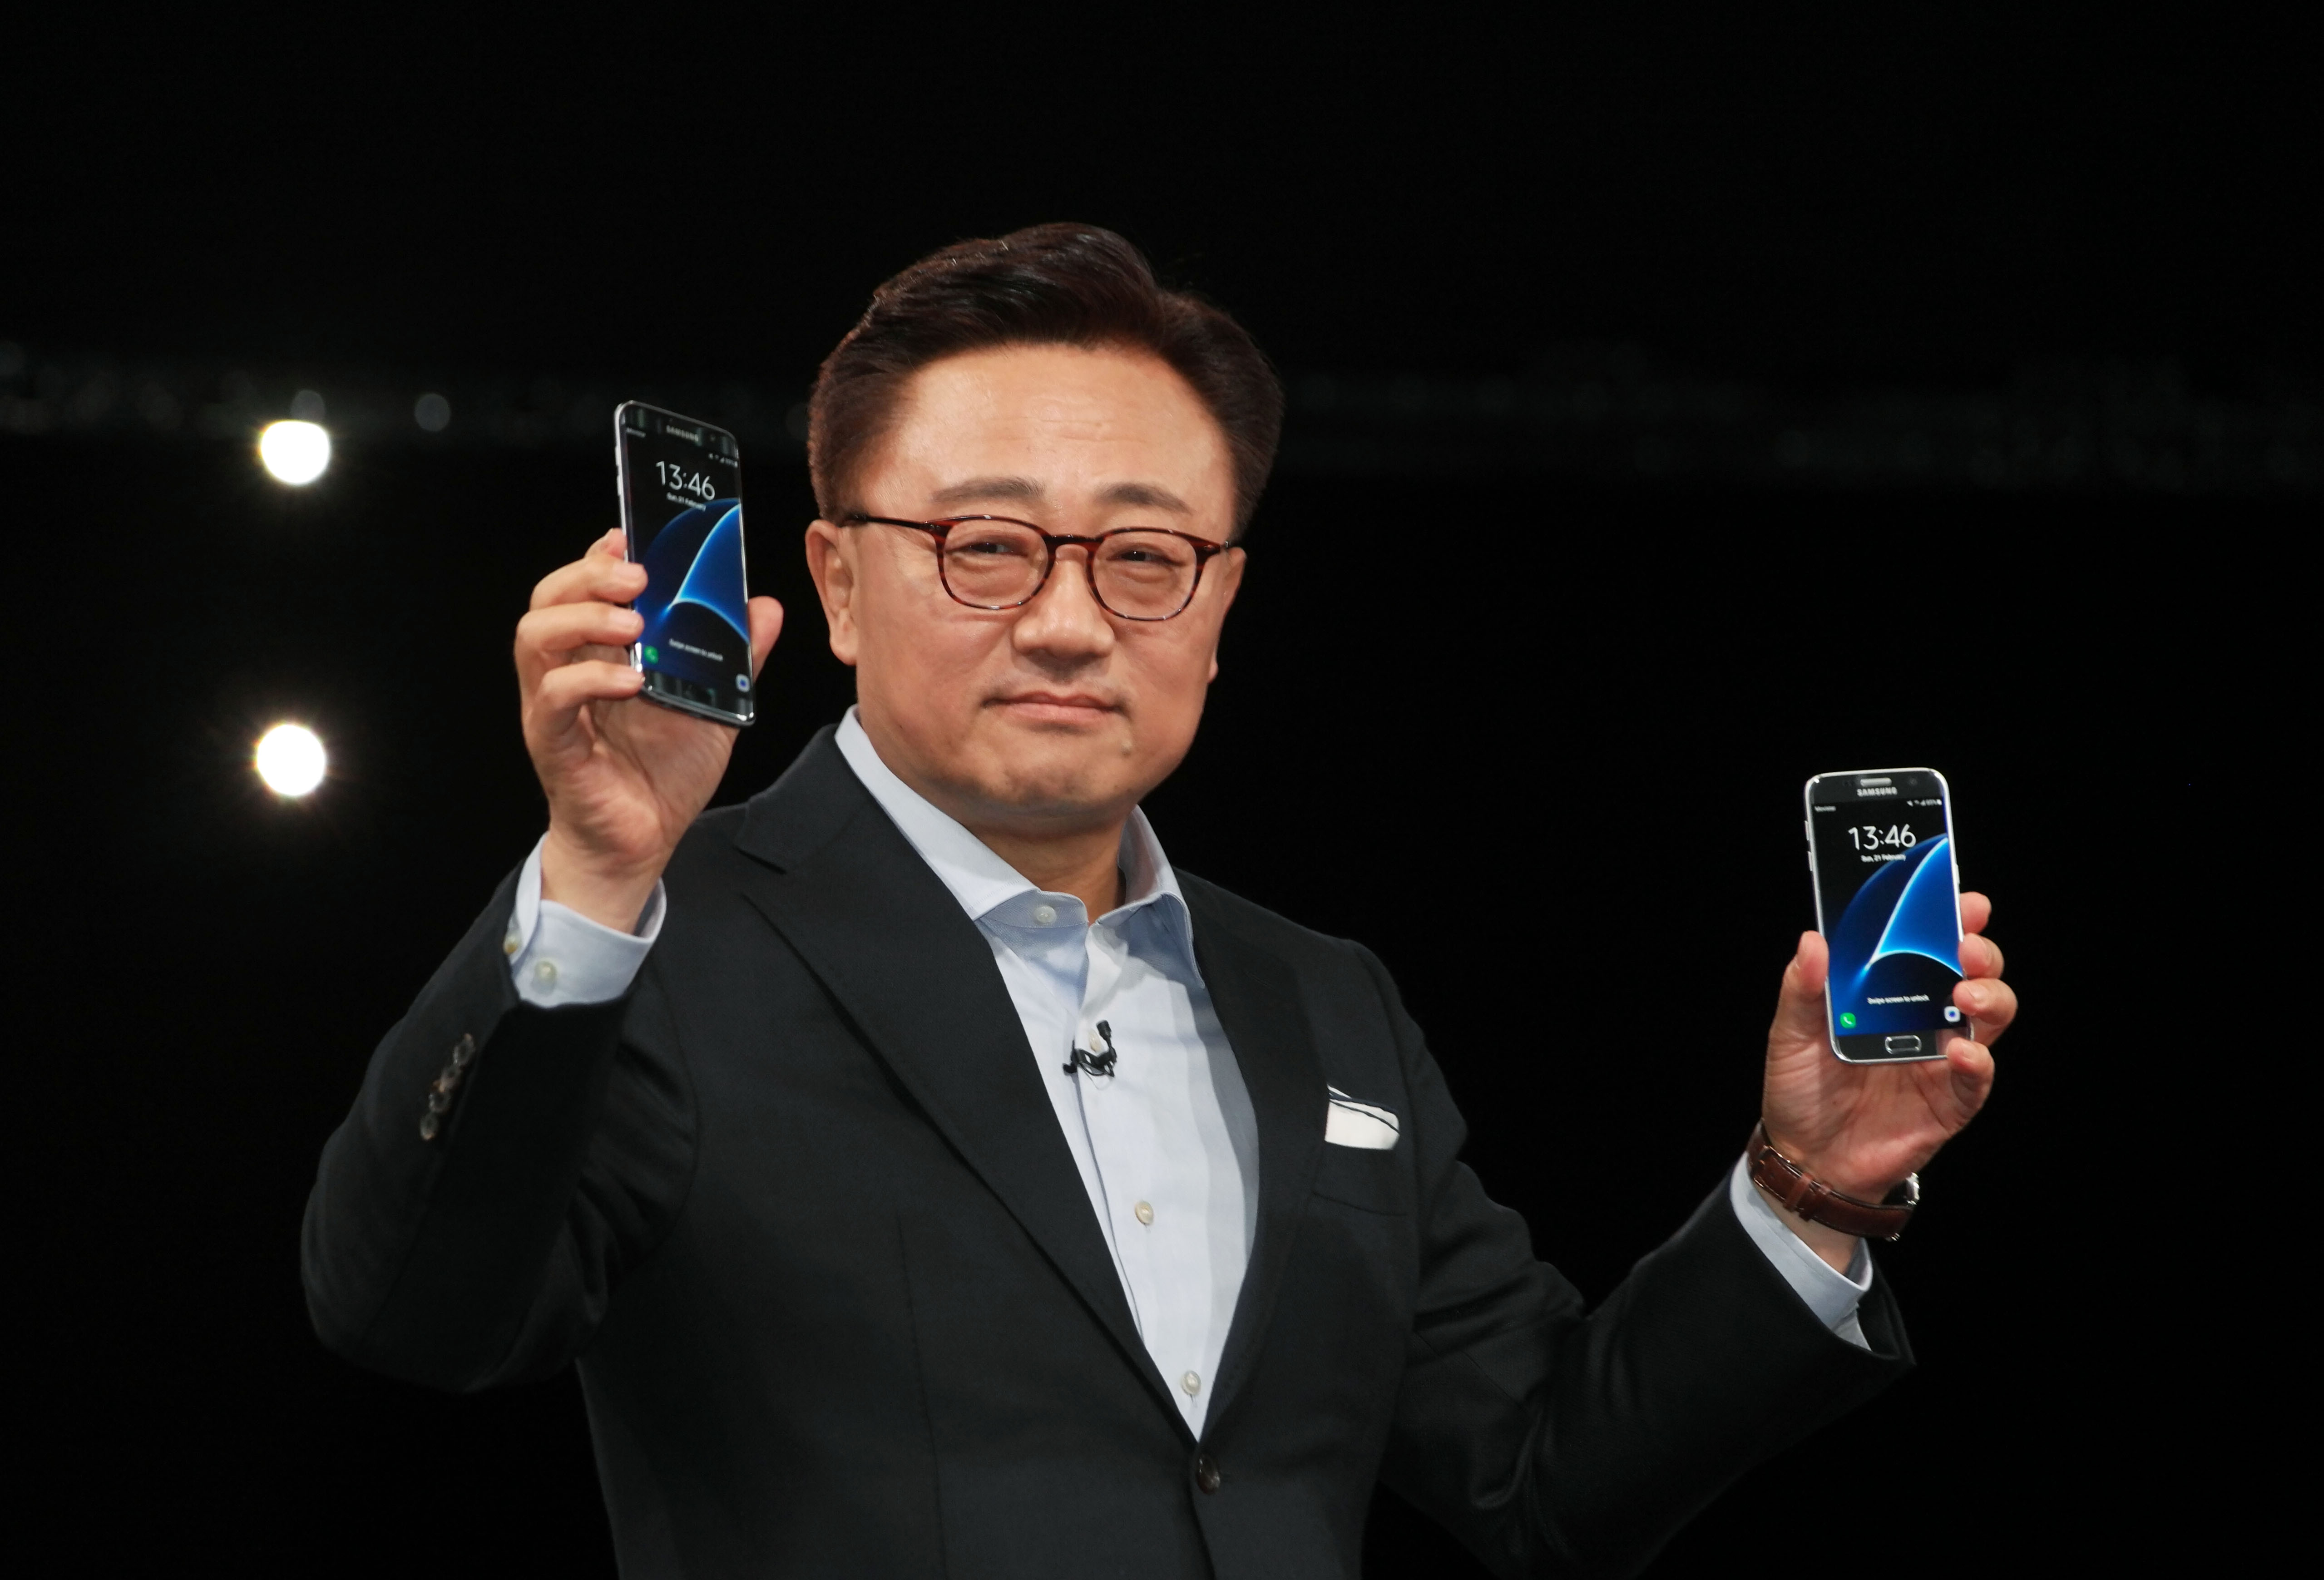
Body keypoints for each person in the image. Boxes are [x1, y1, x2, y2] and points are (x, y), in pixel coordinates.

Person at [302, 224, 2012, 1579]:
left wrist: (1816, 1188)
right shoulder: (660, 946)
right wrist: (599, 877)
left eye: (1143, 557)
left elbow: (1545, 1478)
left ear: (1221, 604)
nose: (1067, 624)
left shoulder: (1323, 1004)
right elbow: (409, 1315)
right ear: (835, 580)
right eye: (985, 545)